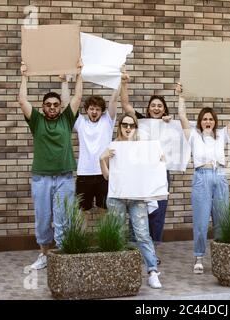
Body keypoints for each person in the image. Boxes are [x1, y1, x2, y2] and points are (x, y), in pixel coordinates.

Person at [18, 60, 83, 270]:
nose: (53, 107)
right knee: (43, 218)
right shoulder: (36, 120)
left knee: (63, 217)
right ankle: (44, 255)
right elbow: (22, 100)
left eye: (56, 104)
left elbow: (78, 97)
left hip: (64, 177)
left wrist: (79, 74)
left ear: (60, 107)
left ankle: (62, 256)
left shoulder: (66, 120)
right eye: (49, 105)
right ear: (43, 107)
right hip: (41, 178)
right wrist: (24, 76)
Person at [176, 83, 230, 274]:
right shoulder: (194, 136)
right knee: (201, 220)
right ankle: (199, 257)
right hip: (201, 177)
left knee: (222, 219)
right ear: (200, 122)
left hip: (220, 176)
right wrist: (181, 96)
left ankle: (221, 255)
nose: (208, 121)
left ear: (214, 121)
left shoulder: (222, 135)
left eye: (210, 119)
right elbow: (182, 117)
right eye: (204, 119)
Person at [99, 112, 163, 289]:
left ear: (135, 128)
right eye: (125, 125)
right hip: (117, 197)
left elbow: (150, 171)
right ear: (119, 127)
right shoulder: (113, 146)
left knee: (142, 234)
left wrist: (159, 161)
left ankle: (152, 271)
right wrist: (102, 159)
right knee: (118, 234)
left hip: (137, 197)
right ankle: (120, 270)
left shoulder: (142, 147)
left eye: (131, 125)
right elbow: (106, 176)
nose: (128, 128)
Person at [120, 70, 171, 263]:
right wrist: (124, 84)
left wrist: (170, 122)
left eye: (160, 106)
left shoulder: (169, 124)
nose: (156, 108)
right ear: (148, 109)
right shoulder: (140, 122)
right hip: (141, 173)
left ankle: (151, 252)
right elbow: (125, 105)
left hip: (161, 173)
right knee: (139, 209)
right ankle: (136, 248)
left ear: (164, 110)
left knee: (158, 213)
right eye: (153, 105)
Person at [73, 90, 119, 220]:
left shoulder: (107, 121)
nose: (94, 112)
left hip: (103, 174)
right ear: (86, 110)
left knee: (104, 210)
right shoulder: (80, 122)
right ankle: (80, 240)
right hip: (84, 175)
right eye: (91, 109)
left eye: (98, 109)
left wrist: (119, 81)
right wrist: (64, 82)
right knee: (83, 212)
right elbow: (68, 104)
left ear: (102, 111)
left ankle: (106, 240)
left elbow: (114, 100)